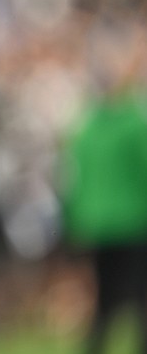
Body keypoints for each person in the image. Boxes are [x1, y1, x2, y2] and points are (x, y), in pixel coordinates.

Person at [59, 19, 147, 354]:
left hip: (108, 224)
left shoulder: (89, 124)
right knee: (129, 299)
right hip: (126, 222)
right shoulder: (127, 121)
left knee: (113, 301)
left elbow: (69, 177)